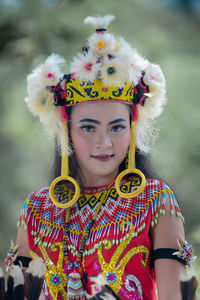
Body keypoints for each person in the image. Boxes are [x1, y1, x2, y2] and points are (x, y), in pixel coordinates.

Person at [4, 15, 195, 300]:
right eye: (88, 127)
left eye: (117, 127)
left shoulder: (155, 201)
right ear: (66, 131)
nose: (103, 142)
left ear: (132, 129)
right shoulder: (36, 211)